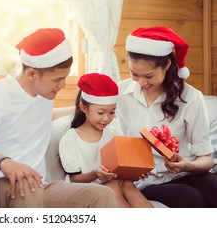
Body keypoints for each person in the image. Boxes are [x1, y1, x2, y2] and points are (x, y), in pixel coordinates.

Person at [0, 28, 117, 208]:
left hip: (39, 184)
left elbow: (41, 118)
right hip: (3, 182)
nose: (63, 85)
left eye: (64, 78)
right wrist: (6, 162)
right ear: (32, 73)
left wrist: (88, 112)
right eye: (58, 79)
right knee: (28, 186)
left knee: (102, 195)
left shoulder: (43, 94)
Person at [116, 26, 217, 208]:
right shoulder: (120, 95)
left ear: (167, 66)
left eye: (148, 76)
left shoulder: (191, 97)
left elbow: (206, 159)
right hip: (147, 181)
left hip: (187, 173)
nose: (141, 82)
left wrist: (187, 165)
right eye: (134, 74)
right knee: (189, 198)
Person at [59, 73, 153, 208]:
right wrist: (96, 174)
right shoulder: (70, 138)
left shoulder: (113, 134)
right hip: (85, 189)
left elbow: (120, 168)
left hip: (111, 184)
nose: (106, 118)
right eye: (100, 112)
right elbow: (74, 179)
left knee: (127, 183)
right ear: (84, 108)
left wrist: (136, 173)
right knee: (112, 184)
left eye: (111, 112)